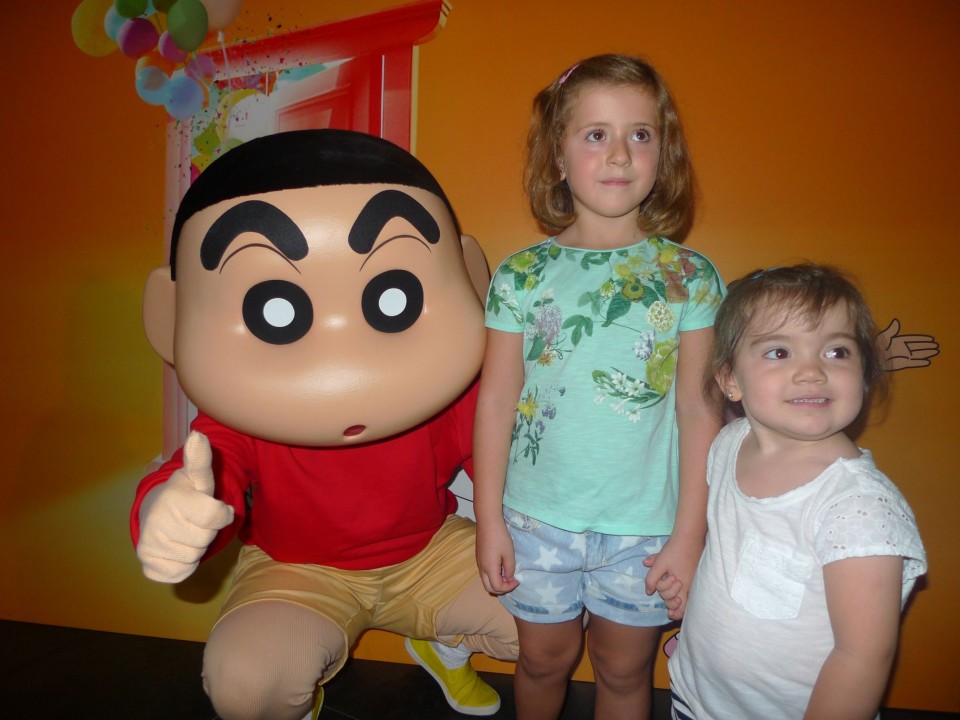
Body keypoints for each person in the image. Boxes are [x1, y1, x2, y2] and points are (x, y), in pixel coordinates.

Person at [131, 129, 518, 720]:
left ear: (469, 276)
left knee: (553, 617)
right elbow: (203, 475)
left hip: (430, 554)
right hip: (295, 570)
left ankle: (445, 646)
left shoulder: (455, 397)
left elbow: (507, 464)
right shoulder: (241, 418)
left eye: (393, 295)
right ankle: (299, 684)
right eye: (274, 311)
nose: (344, 362)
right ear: (170, 319)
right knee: (248, 686)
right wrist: (169, 513)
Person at [474, 54, 725, 720]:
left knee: (624, 669)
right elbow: (496, 401)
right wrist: (489, 519)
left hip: (646, 530)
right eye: (596, 134)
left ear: (663, 155)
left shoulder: (690, 277)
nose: (619, 154)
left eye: (640, 134)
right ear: (558, 156)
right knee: (541, 661)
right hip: (535, 522)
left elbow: (700, 409)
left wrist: (690, 535)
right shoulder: (521, 275)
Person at [668, 264, 927, 720]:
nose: (812, 372)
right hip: (695, 697)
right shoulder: (730, 444)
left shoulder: (860, 510)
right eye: (779, 352)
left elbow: (861, 659)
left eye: (837, 351)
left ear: (864, 372)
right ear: (730, 380)